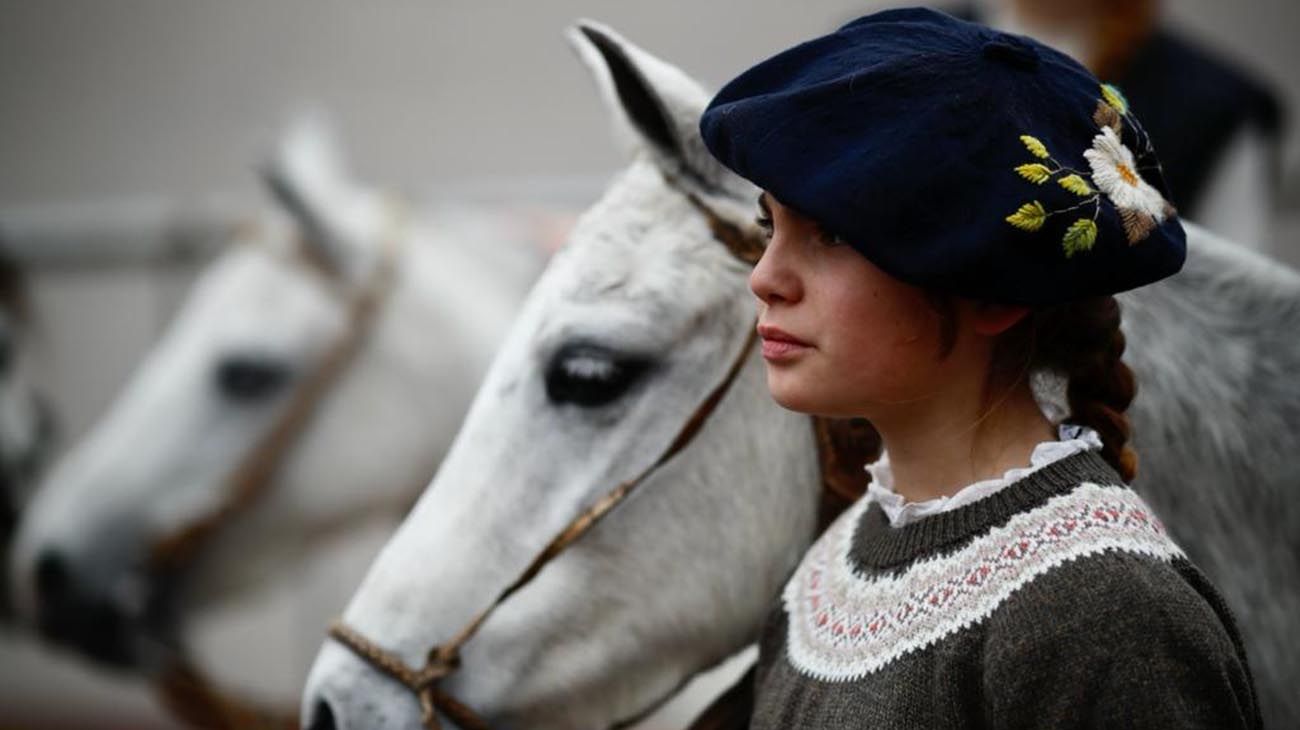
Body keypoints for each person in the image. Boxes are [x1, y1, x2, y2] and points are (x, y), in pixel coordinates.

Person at [698, 8, 1260, 728]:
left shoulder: (1104, 616)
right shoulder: (842, 560)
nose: (765, 278)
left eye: (831, 233)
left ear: (992, 294)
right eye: (771, 226)